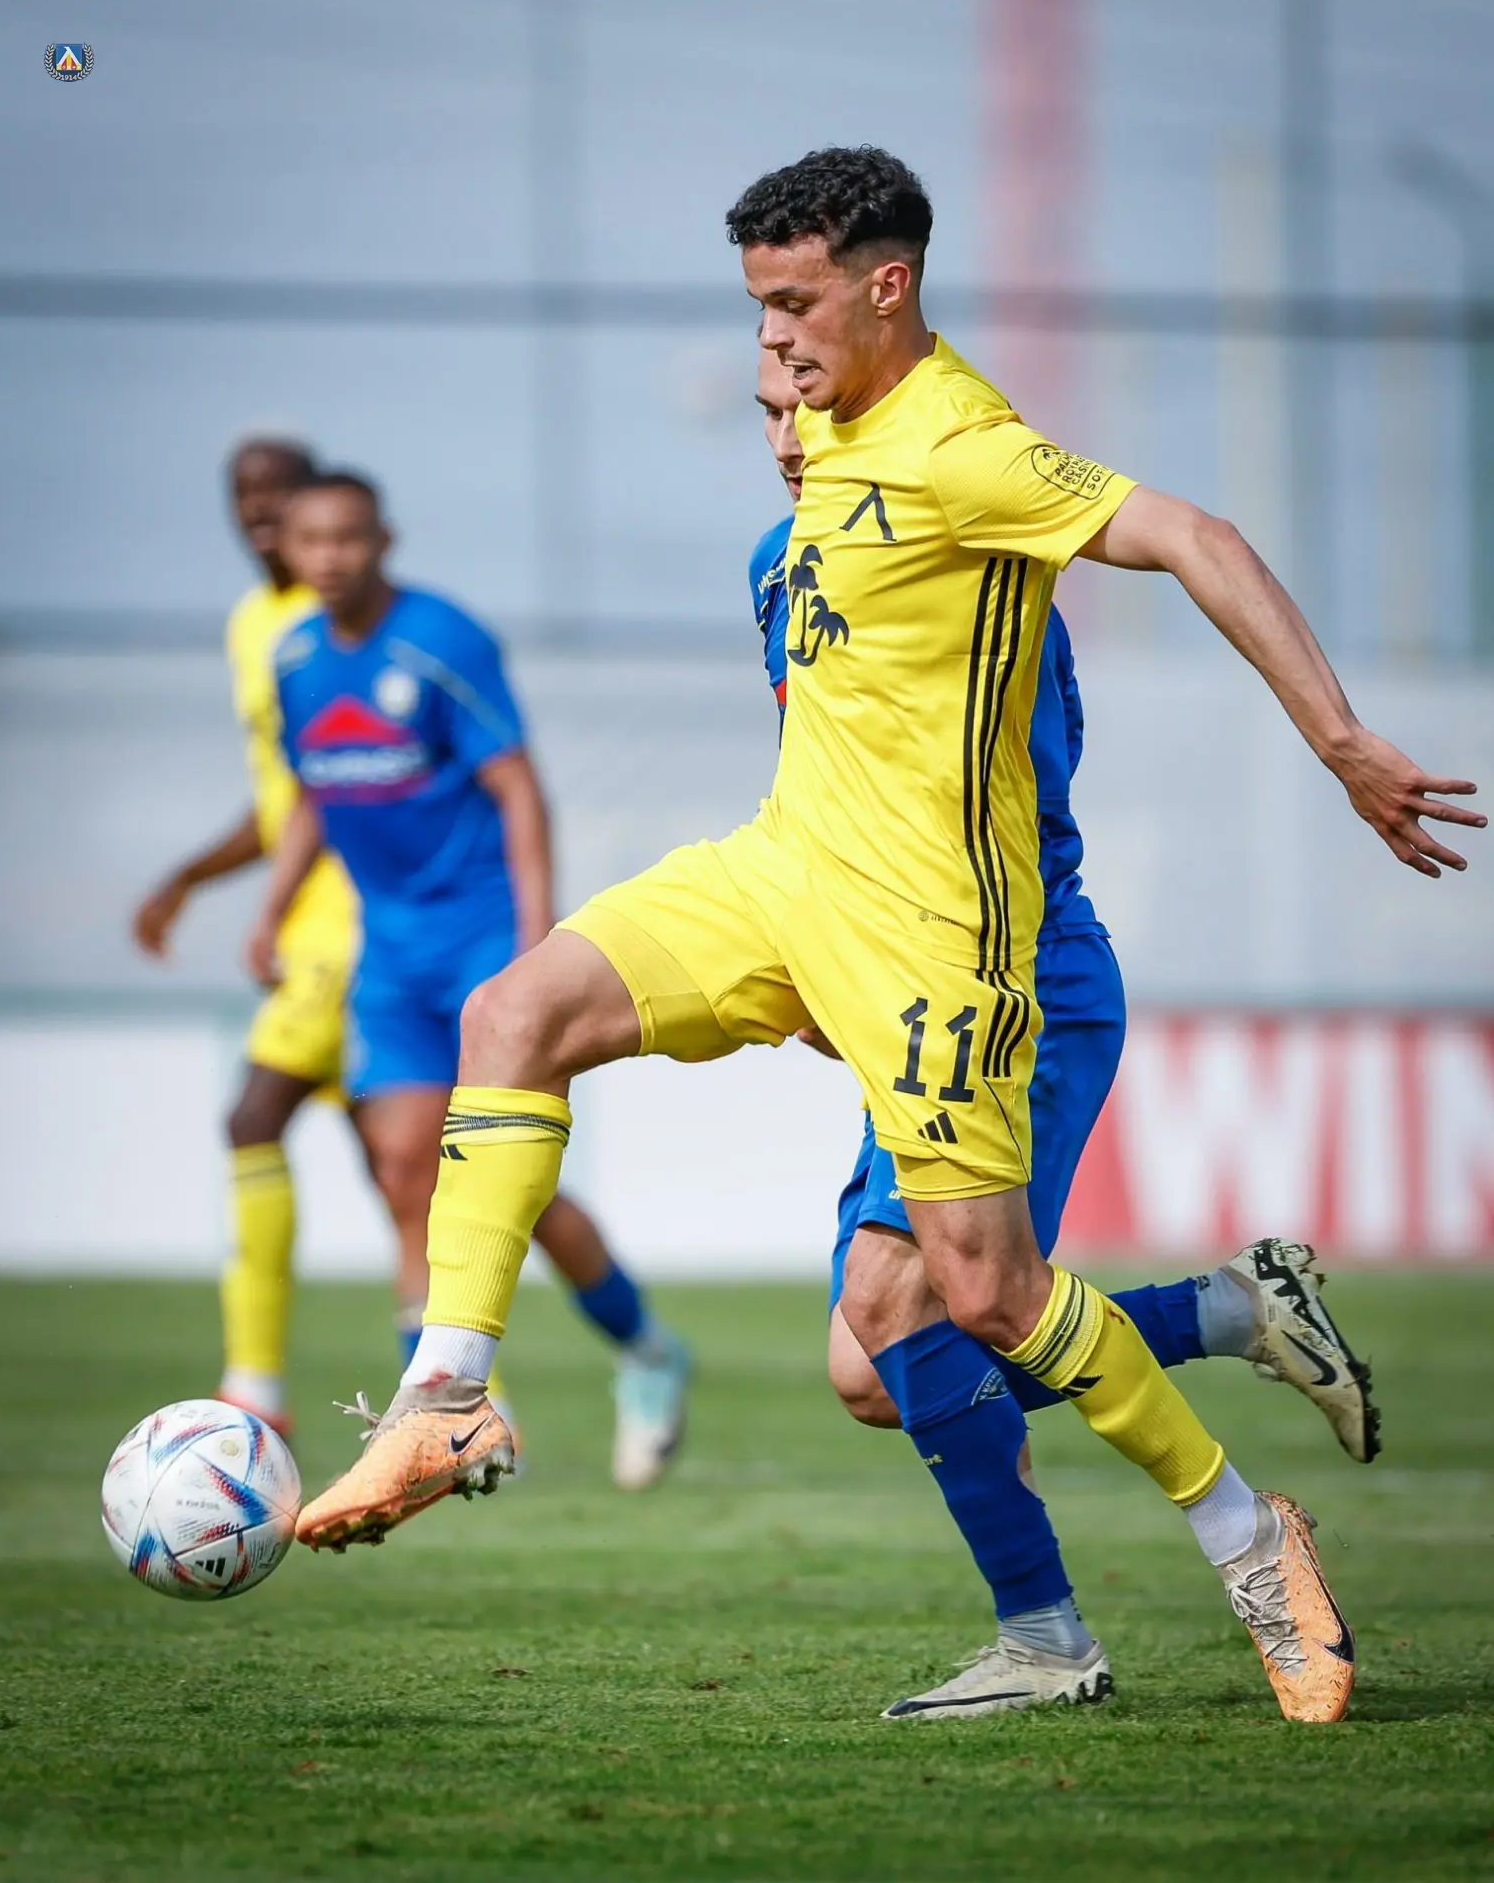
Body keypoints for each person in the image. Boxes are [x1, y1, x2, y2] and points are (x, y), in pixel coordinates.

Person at [296, 150, 1483, 1727]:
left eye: (795, 309)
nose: (774, 355)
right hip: (783, 879)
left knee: (979, 1305)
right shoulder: (801, 503)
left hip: (944, 939)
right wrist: (796, 975)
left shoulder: (964, 451)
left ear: (889, 284)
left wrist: (1339, 742)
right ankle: (447, 1398)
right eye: (758, 325)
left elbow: (1197, 537)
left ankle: (1245, 1538)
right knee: (511, 1016)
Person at [752, 342, 1379, 1718]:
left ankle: (1072, 1625)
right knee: (877, 1368)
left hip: (1009, 971)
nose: (791, 437)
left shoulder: (963, 546)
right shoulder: (781, 568)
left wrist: (1339, 739)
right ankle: (1224, 1315)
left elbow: (996, 773)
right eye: (769, 414)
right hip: (904, 979)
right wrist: (819, 952)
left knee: (905, 1318)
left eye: (808, 405)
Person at [249, 472, 692, 1490]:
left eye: (348, 537)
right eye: (312, 540)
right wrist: (272, 907)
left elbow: (518, 787)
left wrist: (535, 938)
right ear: (289, 550)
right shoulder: (297, 660)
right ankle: (454, 1412)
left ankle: (647, 1351)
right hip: (390, 955)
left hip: (480, 940)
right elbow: (315, 793)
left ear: (383, 540)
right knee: (407, 1170)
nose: (330, 557)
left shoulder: (441, 641)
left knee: (504, 1186)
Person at [132, 437, 364, 1434]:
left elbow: (340, 784)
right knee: (405, 1159)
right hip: (308, 920)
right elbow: (283, 796)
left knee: (255, 1117)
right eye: (244, 491)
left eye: (281, 489)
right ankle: (612, 1350)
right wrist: (190, 877)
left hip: (356, 918)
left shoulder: (339, 621)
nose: (260, 508)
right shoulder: (250, 625)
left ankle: (255, 1385)